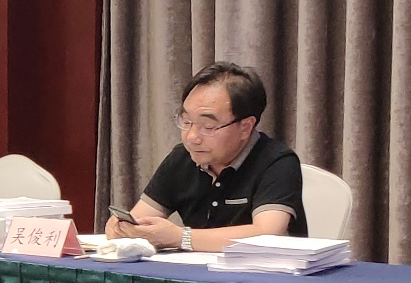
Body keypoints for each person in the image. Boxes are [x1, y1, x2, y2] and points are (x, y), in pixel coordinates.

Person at [105, 62, 307, 252]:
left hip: (262, 274)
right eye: (186, 122)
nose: (192, 137)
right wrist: (124, 229)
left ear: (245, 127)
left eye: (208, 126)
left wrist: (181, 237)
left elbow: (267, 234)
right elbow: (140, 218)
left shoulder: (277, 162)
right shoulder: (182, 158)